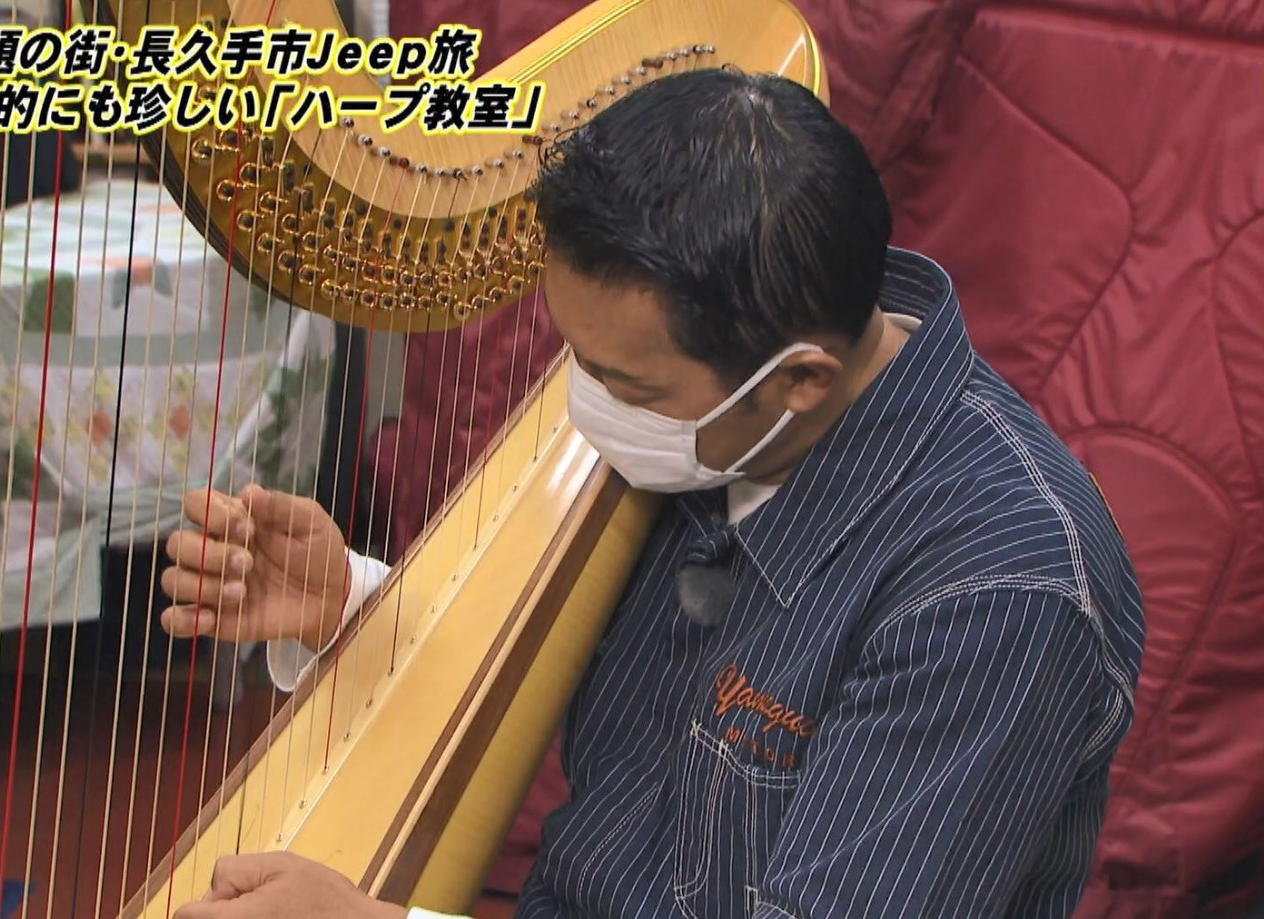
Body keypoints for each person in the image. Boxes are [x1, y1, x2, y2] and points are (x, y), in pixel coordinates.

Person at [157, 68, 1146, 919]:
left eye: (624, 385)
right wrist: (354, 602)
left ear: (800, 379)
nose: (583, 406)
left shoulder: (998, 593)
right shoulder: (719, 420)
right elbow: (539, 650)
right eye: (577, 362)